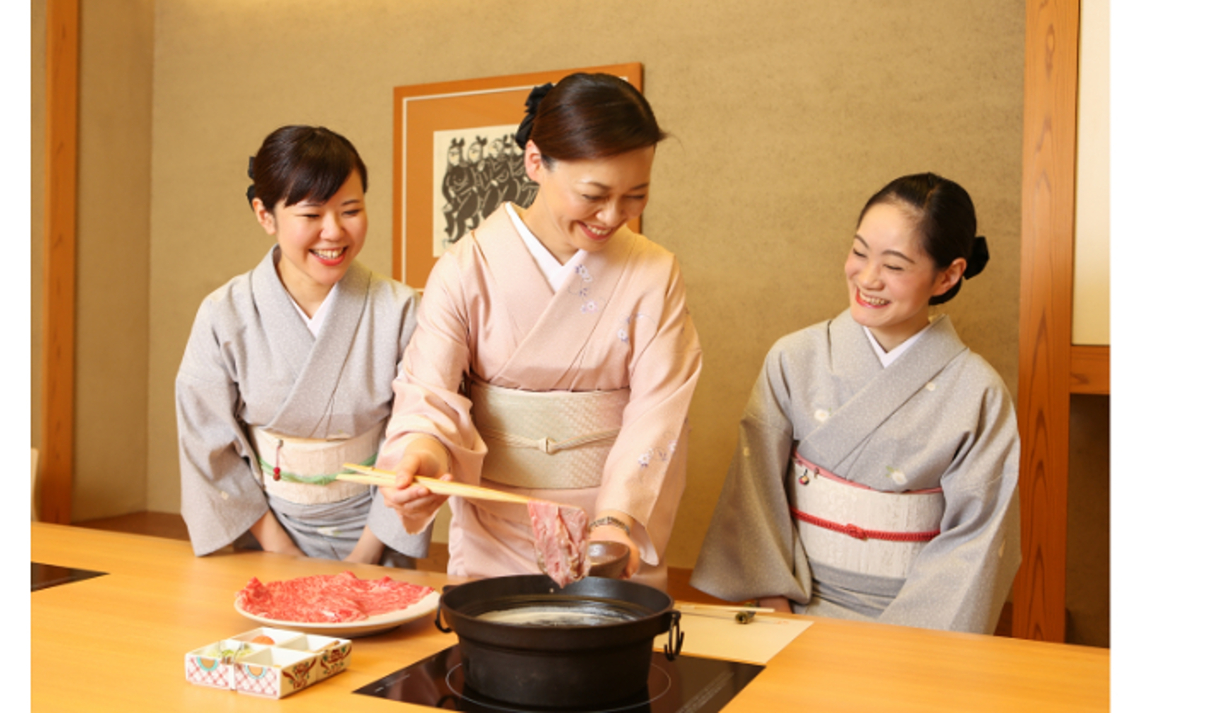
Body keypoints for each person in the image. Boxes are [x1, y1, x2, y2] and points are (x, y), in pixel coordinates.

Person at [376, 73, 703, 590]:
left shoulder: (654, 273)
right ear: (535, 163)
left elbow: (658, 411)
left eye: (635, 196)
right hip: (495, 532)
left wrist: (617, 522)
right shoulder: (465, 269)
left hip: (613, 533)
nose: (613, 216)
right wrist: (424, 452)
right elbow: (428, 393)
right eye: (593, 194)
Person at [690, 173, 1020, 633]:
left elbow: (977, 539)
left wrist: (901, 650)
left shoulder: (977, 392)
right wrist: (774, 603)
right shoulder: (795, 358)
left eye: (895, 266)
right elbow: (757, 488)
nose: (867, 278)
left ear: (948, 275)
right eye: (860, 252)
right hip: (793, 610)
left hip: (916, 630)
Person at [176, 125, 428, 565]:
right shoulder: (224, 314)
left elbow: (418, 432)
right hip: (266, 534)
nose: (334, 232)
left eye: (350, 210)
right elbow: (206, 443)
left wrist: (365, 557)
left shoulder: (402, 310)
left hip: (377, 532)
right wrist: (282, 552)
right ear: (265, 214)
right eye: (311, 216)